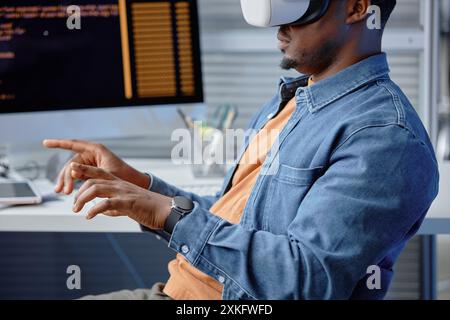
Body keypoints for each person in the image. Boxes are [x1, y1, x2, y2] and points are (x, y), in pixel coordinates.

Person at [43, 0, 439, 300]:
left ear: (356, 7)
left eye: (299, 9)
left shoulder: (385, 137)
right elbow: (234, 219)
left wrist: (164, 213)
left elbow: (305, 281)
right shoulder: (293, 99)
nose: (280, 27)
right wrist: (139, 184)